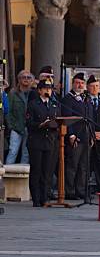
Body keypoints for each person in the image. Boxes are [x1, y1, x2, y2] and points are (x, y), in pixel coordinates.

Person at [26, 78, 59, 207]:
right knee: (37, 170)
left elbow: (59, 120)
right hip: (36, 141)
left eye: (50, 89)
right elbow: (29, 123)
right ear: (39, 90)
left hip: (50, 141)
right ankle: (36, 198)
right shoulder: (33, 104)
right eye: (45, 88)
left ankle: (45, 197)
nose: (48, 91)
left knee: (47, 170)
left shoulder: (54, 104)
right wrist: (40, 124)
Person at [61, 73, 91, 199]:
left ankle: (81, 190)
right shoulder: (68, 98)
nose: (80, 85)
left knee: (84, 166)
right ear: (73, 83)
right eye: (77, 83)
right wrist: (71, 134)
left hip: (86, 135)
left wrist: (91, 135)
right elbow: (67, 118)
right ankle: (70, 191)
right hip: (76, 136)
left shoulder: (85, 98)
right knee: (73, 164)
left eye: (82, 83)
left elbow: (90, 117)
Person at [5, 70, 34, 164]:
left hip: (29, 127)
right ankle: (7, 176)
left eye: (28, 77)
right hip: (16, 128)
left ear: (32, 80)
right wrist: (11, 126)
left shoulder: (33, 94)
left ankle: (22, 178)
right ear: (19, 79)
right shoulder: (13, 93)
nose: (26, 79)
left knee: (26, 153)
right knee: (13, 151)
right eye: (23, 77)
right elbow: (7, 111)